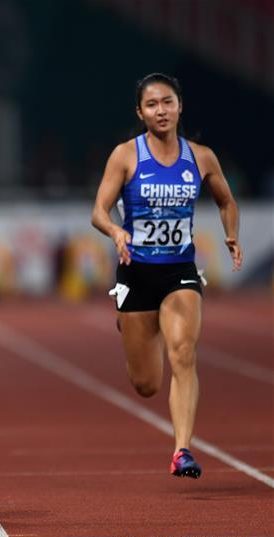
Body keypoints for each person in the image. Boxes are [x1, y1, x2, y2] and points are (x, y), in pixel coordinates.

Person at [91, 73, 242, 478]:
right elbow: (98, 211)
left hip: (180, 271)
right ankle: (132, 323)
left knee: (184, 353)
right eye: (152, 104)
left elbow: (226, 201)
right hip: (136, 273)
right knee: (146, 385)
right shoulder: (126, 155)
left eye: (168, 102)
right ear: (140, 112)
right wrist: (116, 231)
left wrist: (231, 233)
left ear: (180, 107)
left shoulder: (201, 157)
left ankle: (182, 450)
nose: (161, 111)